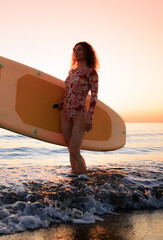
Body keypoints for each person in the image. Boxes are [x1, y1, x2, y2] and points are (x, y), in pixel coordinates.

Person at [58, 42, 99, 175]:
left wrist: (90, 118)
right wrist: (62, 101)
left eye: (79, 49)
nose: (76, 52)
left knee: (75, 150)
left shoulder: (91, 72)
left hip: (79, 113)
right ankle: (75, 177)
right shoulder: (72, 72)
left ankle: (84, 180)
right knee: (70, 149)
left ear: (87, 52)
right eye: (74, 50)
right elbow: (68, 91)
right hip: (65, 112)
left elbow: (94, 97)